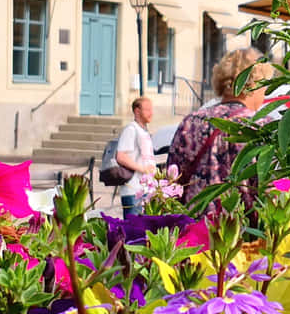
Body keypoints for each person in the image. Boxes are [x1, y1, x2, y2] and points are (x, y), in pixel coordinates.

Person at [170, 48, 275, 202]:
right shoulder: (262, 126)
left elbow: (173, 181)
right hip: (243, 223)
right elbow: (272, 190)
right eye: (265, 86)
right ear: (255, 86)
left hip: (196, 222)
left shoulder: (191, 122)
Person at [113, 96, 158, 216]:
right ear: (137, 111)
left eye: (151, 109)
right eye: (147, 109)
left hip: (145, 190)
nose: (151, 113)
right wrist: (142, 169)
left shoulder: (144, 131)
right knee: (133, 231)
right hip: (133, 190)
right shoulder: (131, 129)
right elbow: (121, 156)